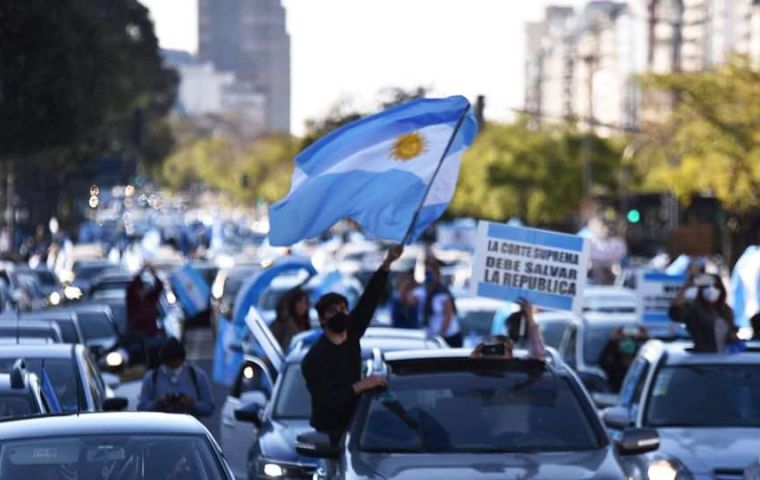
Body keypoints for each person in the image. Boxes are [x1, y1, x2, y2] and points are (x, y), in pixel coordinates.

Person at [302, 246, 403, 446]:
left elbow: (369, 300)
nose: (340, 314)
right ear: (322, 320)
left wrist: (387, 264)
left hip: (357, 427)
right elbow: (328, 401)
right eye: (333, 311)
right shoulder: (314, 359)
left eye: (343, 309)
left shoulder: (352, 334)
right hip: (330, 435)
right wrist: (361, 386)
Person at [138, 337, 215, 418]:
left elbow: (209, 408)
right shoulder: (151, 378)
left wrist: (192, 403)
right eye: (170, 363)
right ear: (164, 361)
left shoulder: (198, 376)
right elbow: (142, 408)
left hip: (189, 428)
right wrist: (158, 403)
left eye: (177, 363)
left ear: (182, 360)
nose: (174, 367)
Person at [669, 273, 738, 352]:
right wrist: (687, 286)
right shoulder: (693, 310)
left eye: (716, 286)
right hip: (702, 358)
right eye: (707, 286)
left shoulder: (726, 311)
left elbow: (732, 330)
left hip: (725, 358)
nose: (712, 290)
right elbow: (675, 311)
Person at [472, 298, 545, 359]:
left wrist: (530, 317)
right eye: (495, 348)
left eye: (501, 348)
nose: (497, 353)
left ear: (510, 353)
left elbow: (538, 353)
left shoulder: (521, 367)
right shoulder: (485, 370)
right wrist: (475, 359)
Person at [126, 263, 165, 366]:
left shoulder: (150, 299)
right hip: (136, 334)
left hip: (150, 333)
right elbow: (131, 286)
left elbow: (159, 286)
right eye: (140, 290)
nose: (142, 292)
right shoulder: (132, 300)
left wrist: (153, 272)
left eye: (143, 289)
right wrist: (141, 271)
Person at [418, 260, 462, 347]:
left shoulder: (443, 293)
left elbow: (448, 315)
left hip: (448, 337)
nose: (429, 277)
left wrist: (441, 335)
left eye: (431, 273)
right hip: (432, 336)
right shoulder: (424, 291)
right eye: (427, 273)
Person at [598, 326, 649, 392]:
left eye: (632, 339)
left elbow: (652, 355)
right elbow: (603, 360)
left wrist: (647, 339)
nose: (628, 342)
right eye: (624, 340)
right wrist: (612, 341)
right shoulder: (613, 368)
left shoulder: (641, 366)